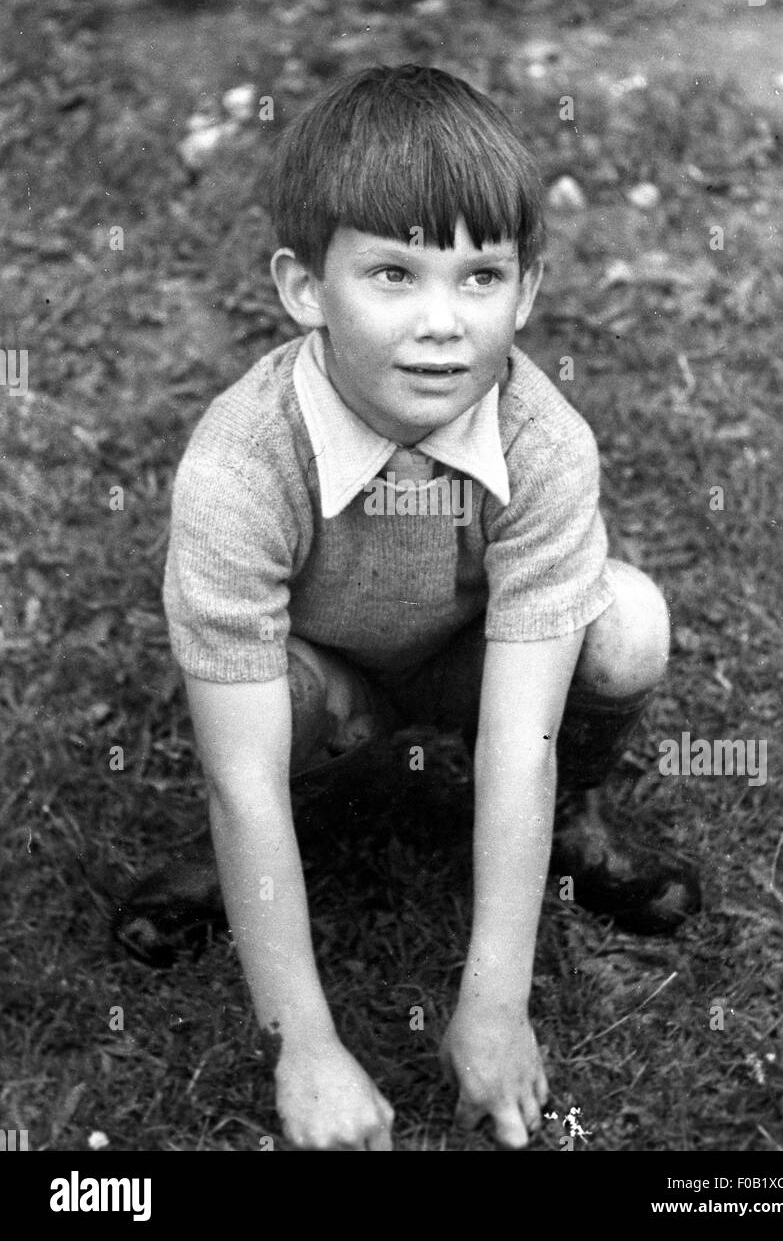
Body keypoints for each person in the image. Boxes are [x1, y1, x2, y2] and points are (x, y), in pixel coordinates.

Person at [116, 63, 699, 1150]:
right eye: (392, 273)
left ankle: (571, 824)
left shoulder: (542, 442)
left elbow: (517, 738)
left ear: (525, 292)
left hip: (471, 667)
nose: (441, 324)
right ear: (302, 289)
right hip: (319, 680)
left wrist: (492, 998)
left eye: (478, 276)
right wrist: (304, 1045)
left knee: (626, 625)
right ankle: (272, 844)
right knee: (257, 748)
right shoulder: (238, 466)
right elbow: (239, 770)